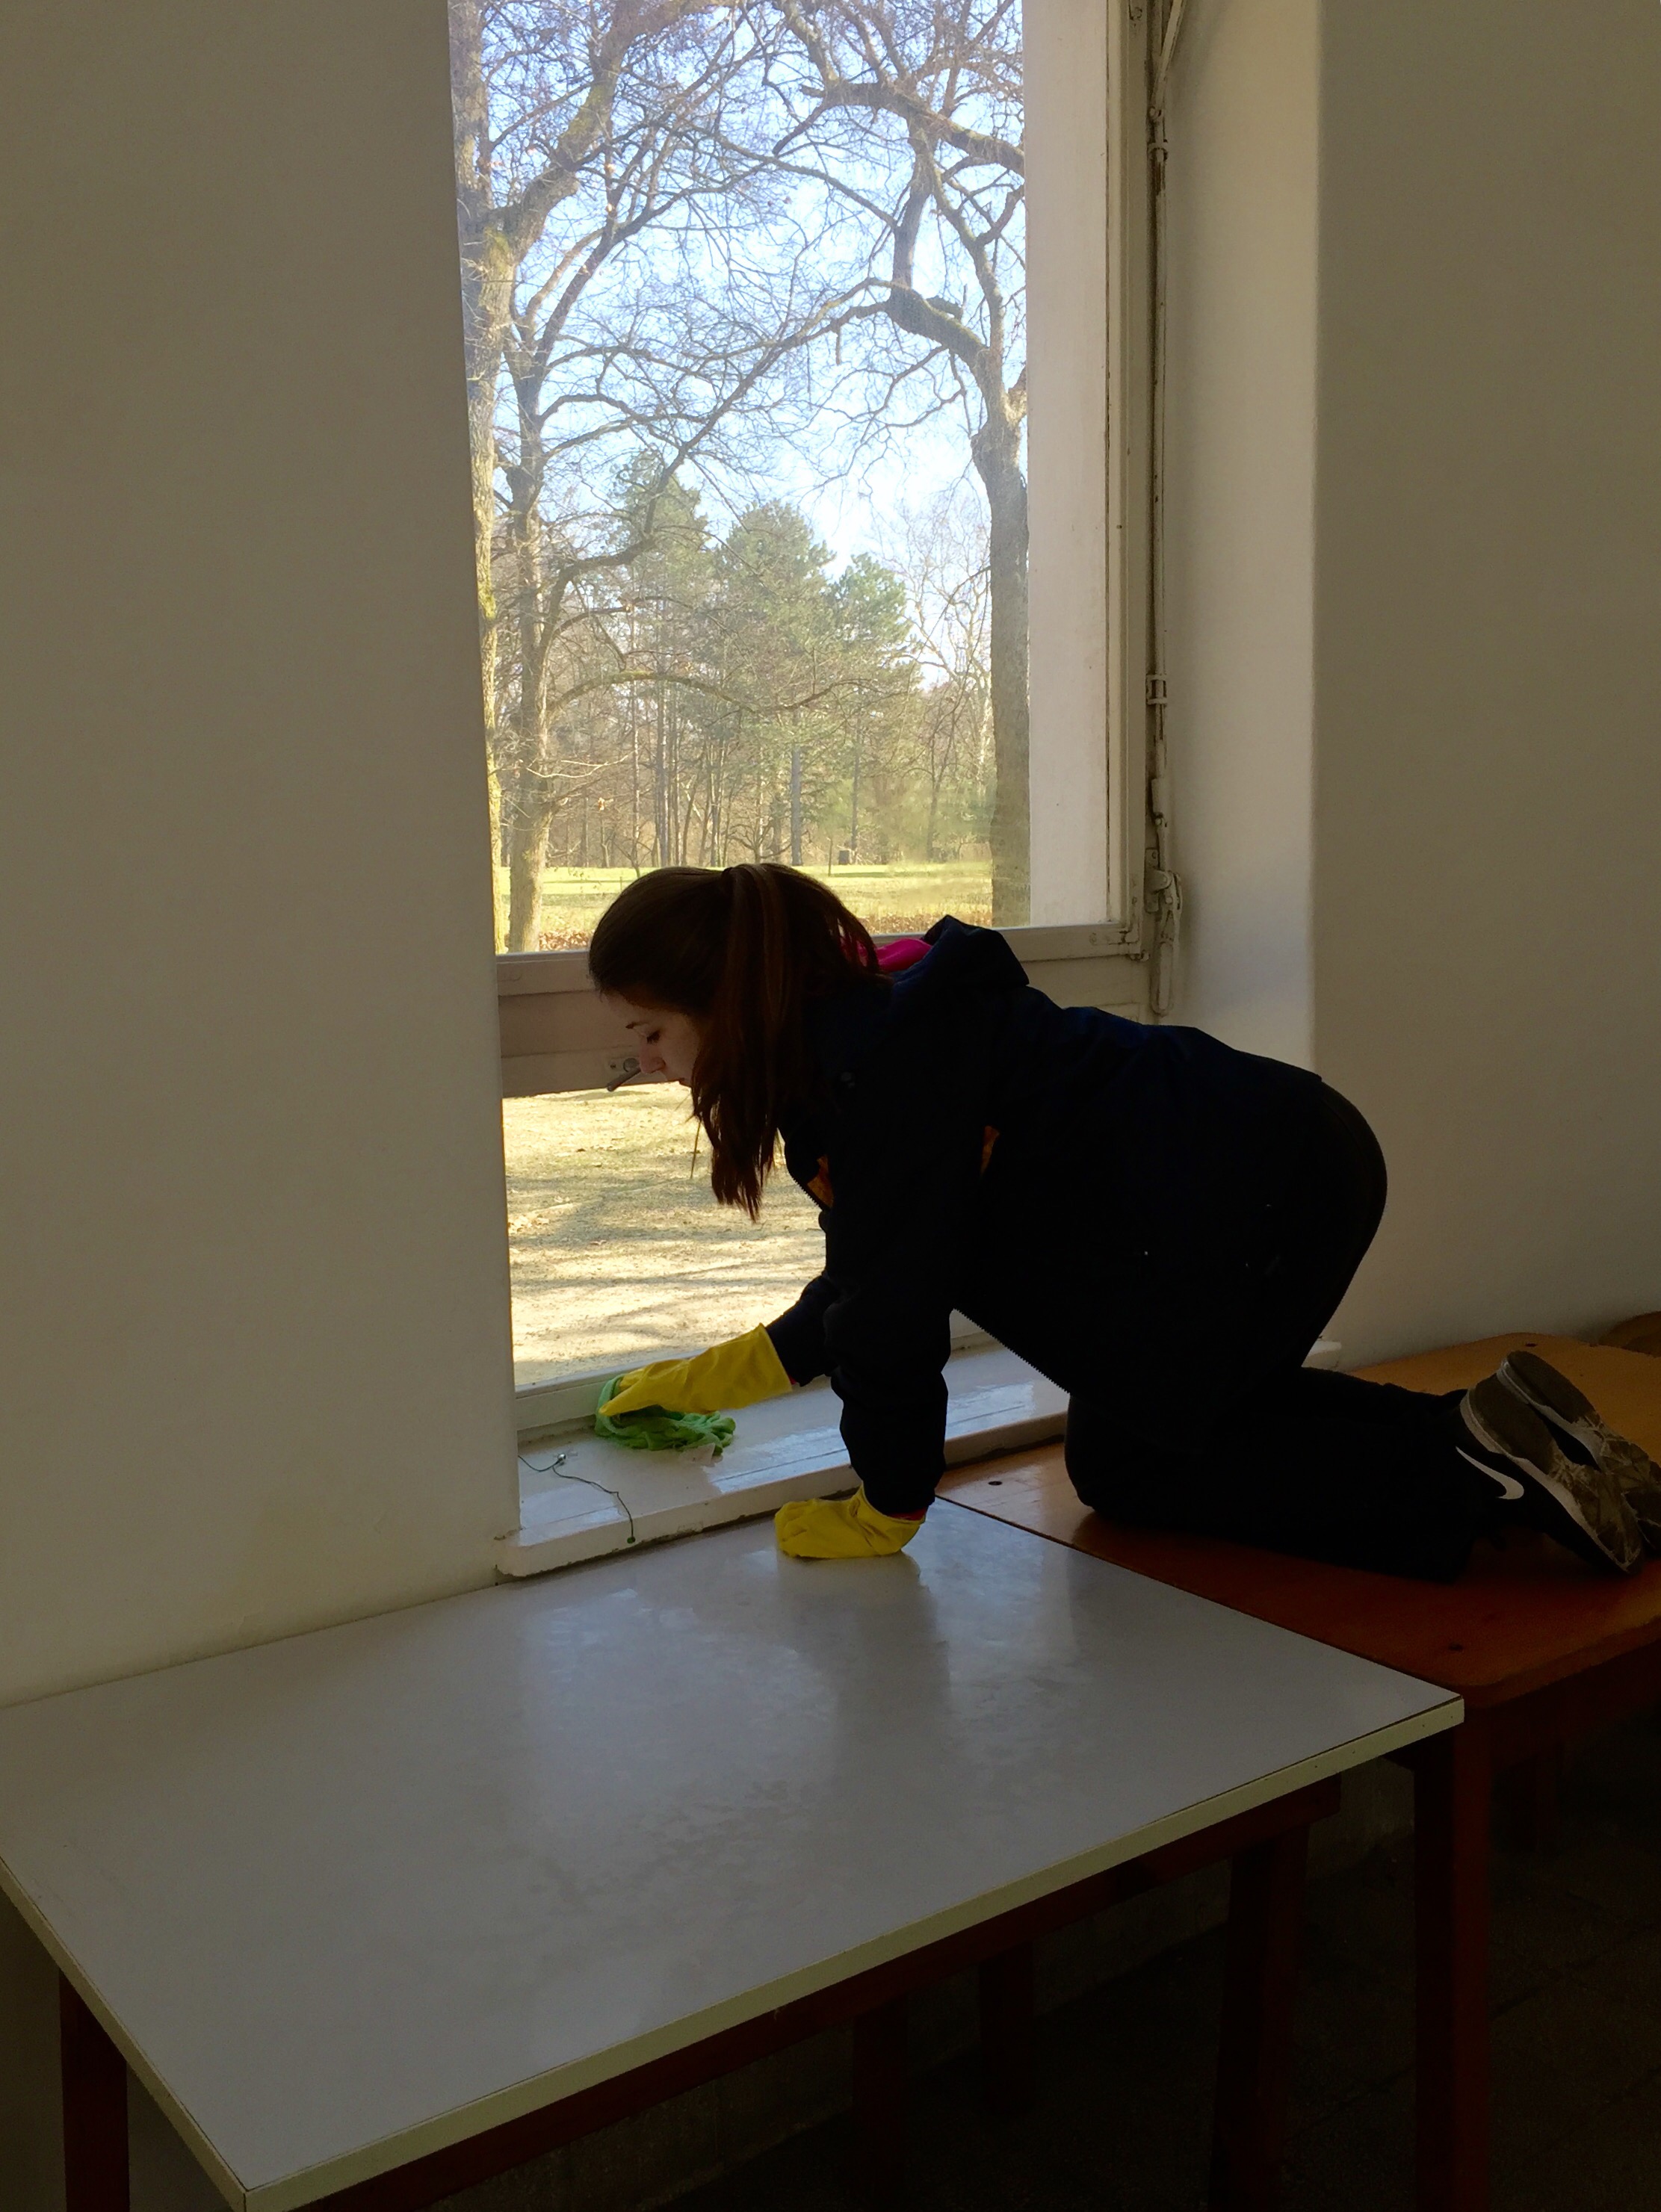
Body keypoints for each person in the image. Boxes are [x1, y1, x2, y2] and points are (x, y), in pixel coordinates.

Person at [593, 864, 1660, 1579]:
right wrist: (736, 1370)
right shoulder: (871, 1040)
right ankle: (1501, 1434)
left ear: (731, 1008)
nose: (646, 1060)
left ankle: (1473, 1475)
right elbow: (878, 1263)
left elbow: (892, 1306)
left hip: (1262, 1195)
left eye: (651, 1030)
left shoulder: (872, 1085)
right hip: (1279, 1159)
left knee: (1137, 1466)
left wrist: (891, 1500)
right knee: (1160, 1431)